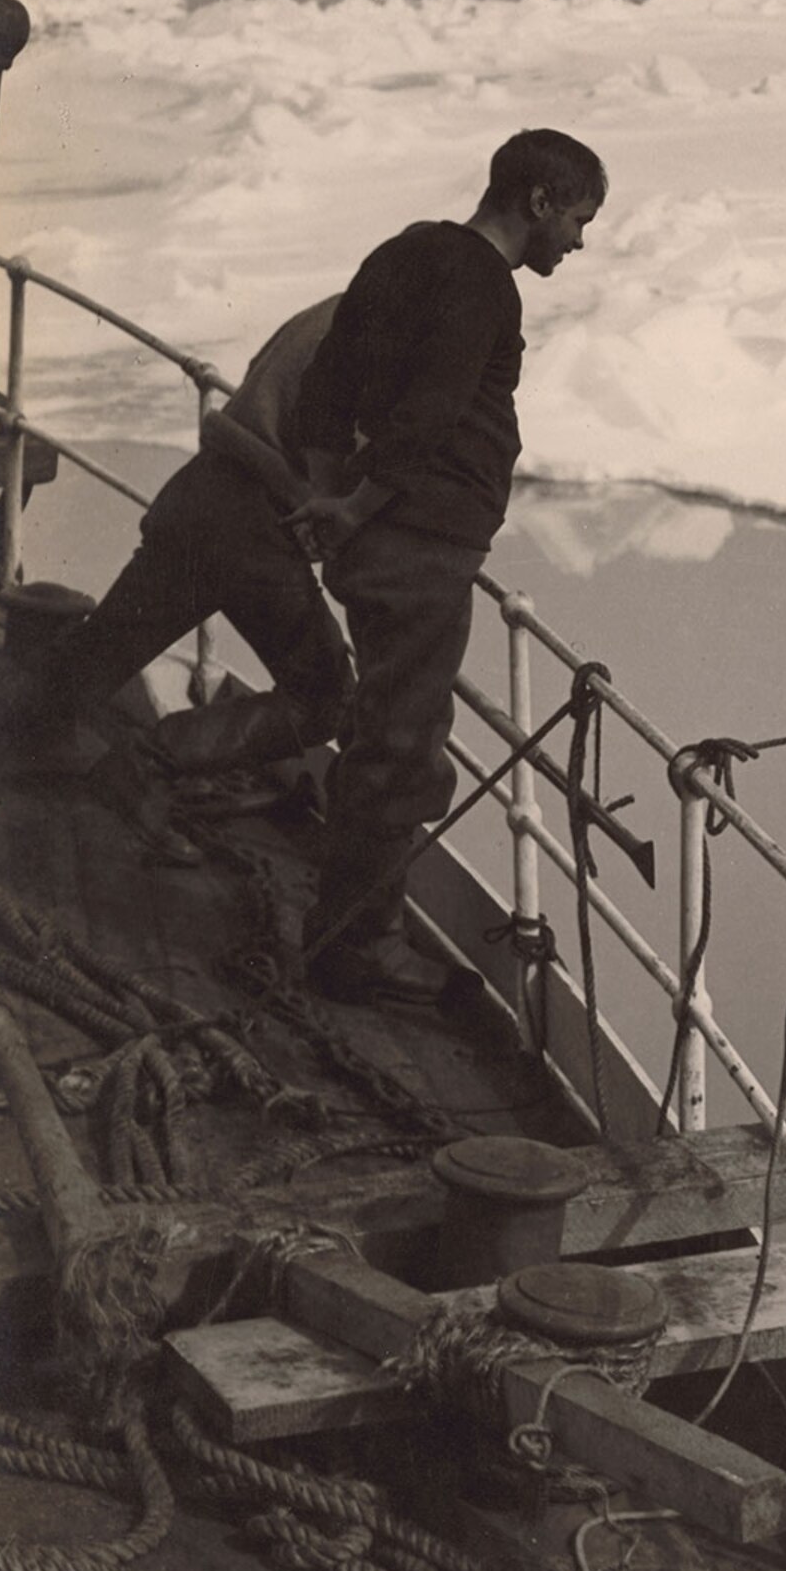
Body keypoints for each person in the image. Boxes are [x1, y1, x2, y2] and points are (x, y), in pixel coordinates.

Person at [286, 128, 607, 1005]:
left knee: (384, 730)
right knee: (399, 746)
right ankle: (358, 949)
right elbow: (430, 414)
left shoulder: (406, 250)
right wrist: (353, 508)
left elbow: (323, 383)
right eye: (578, 219)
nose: (578, 242)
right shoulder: (483, 286)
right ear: (538, 202)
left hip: (377, 538)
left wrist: (331, 500)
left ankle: (348, 926)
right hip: (420, 544)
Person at [0, 293, 355, 777]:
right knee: (325, 700)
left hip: (198, 494)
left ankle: (7, 741)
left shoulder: (336, 307)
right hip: (260, 531)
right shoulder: (399, 331)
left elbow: (262, 376)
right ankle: (142, 769)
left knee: (99, 656)